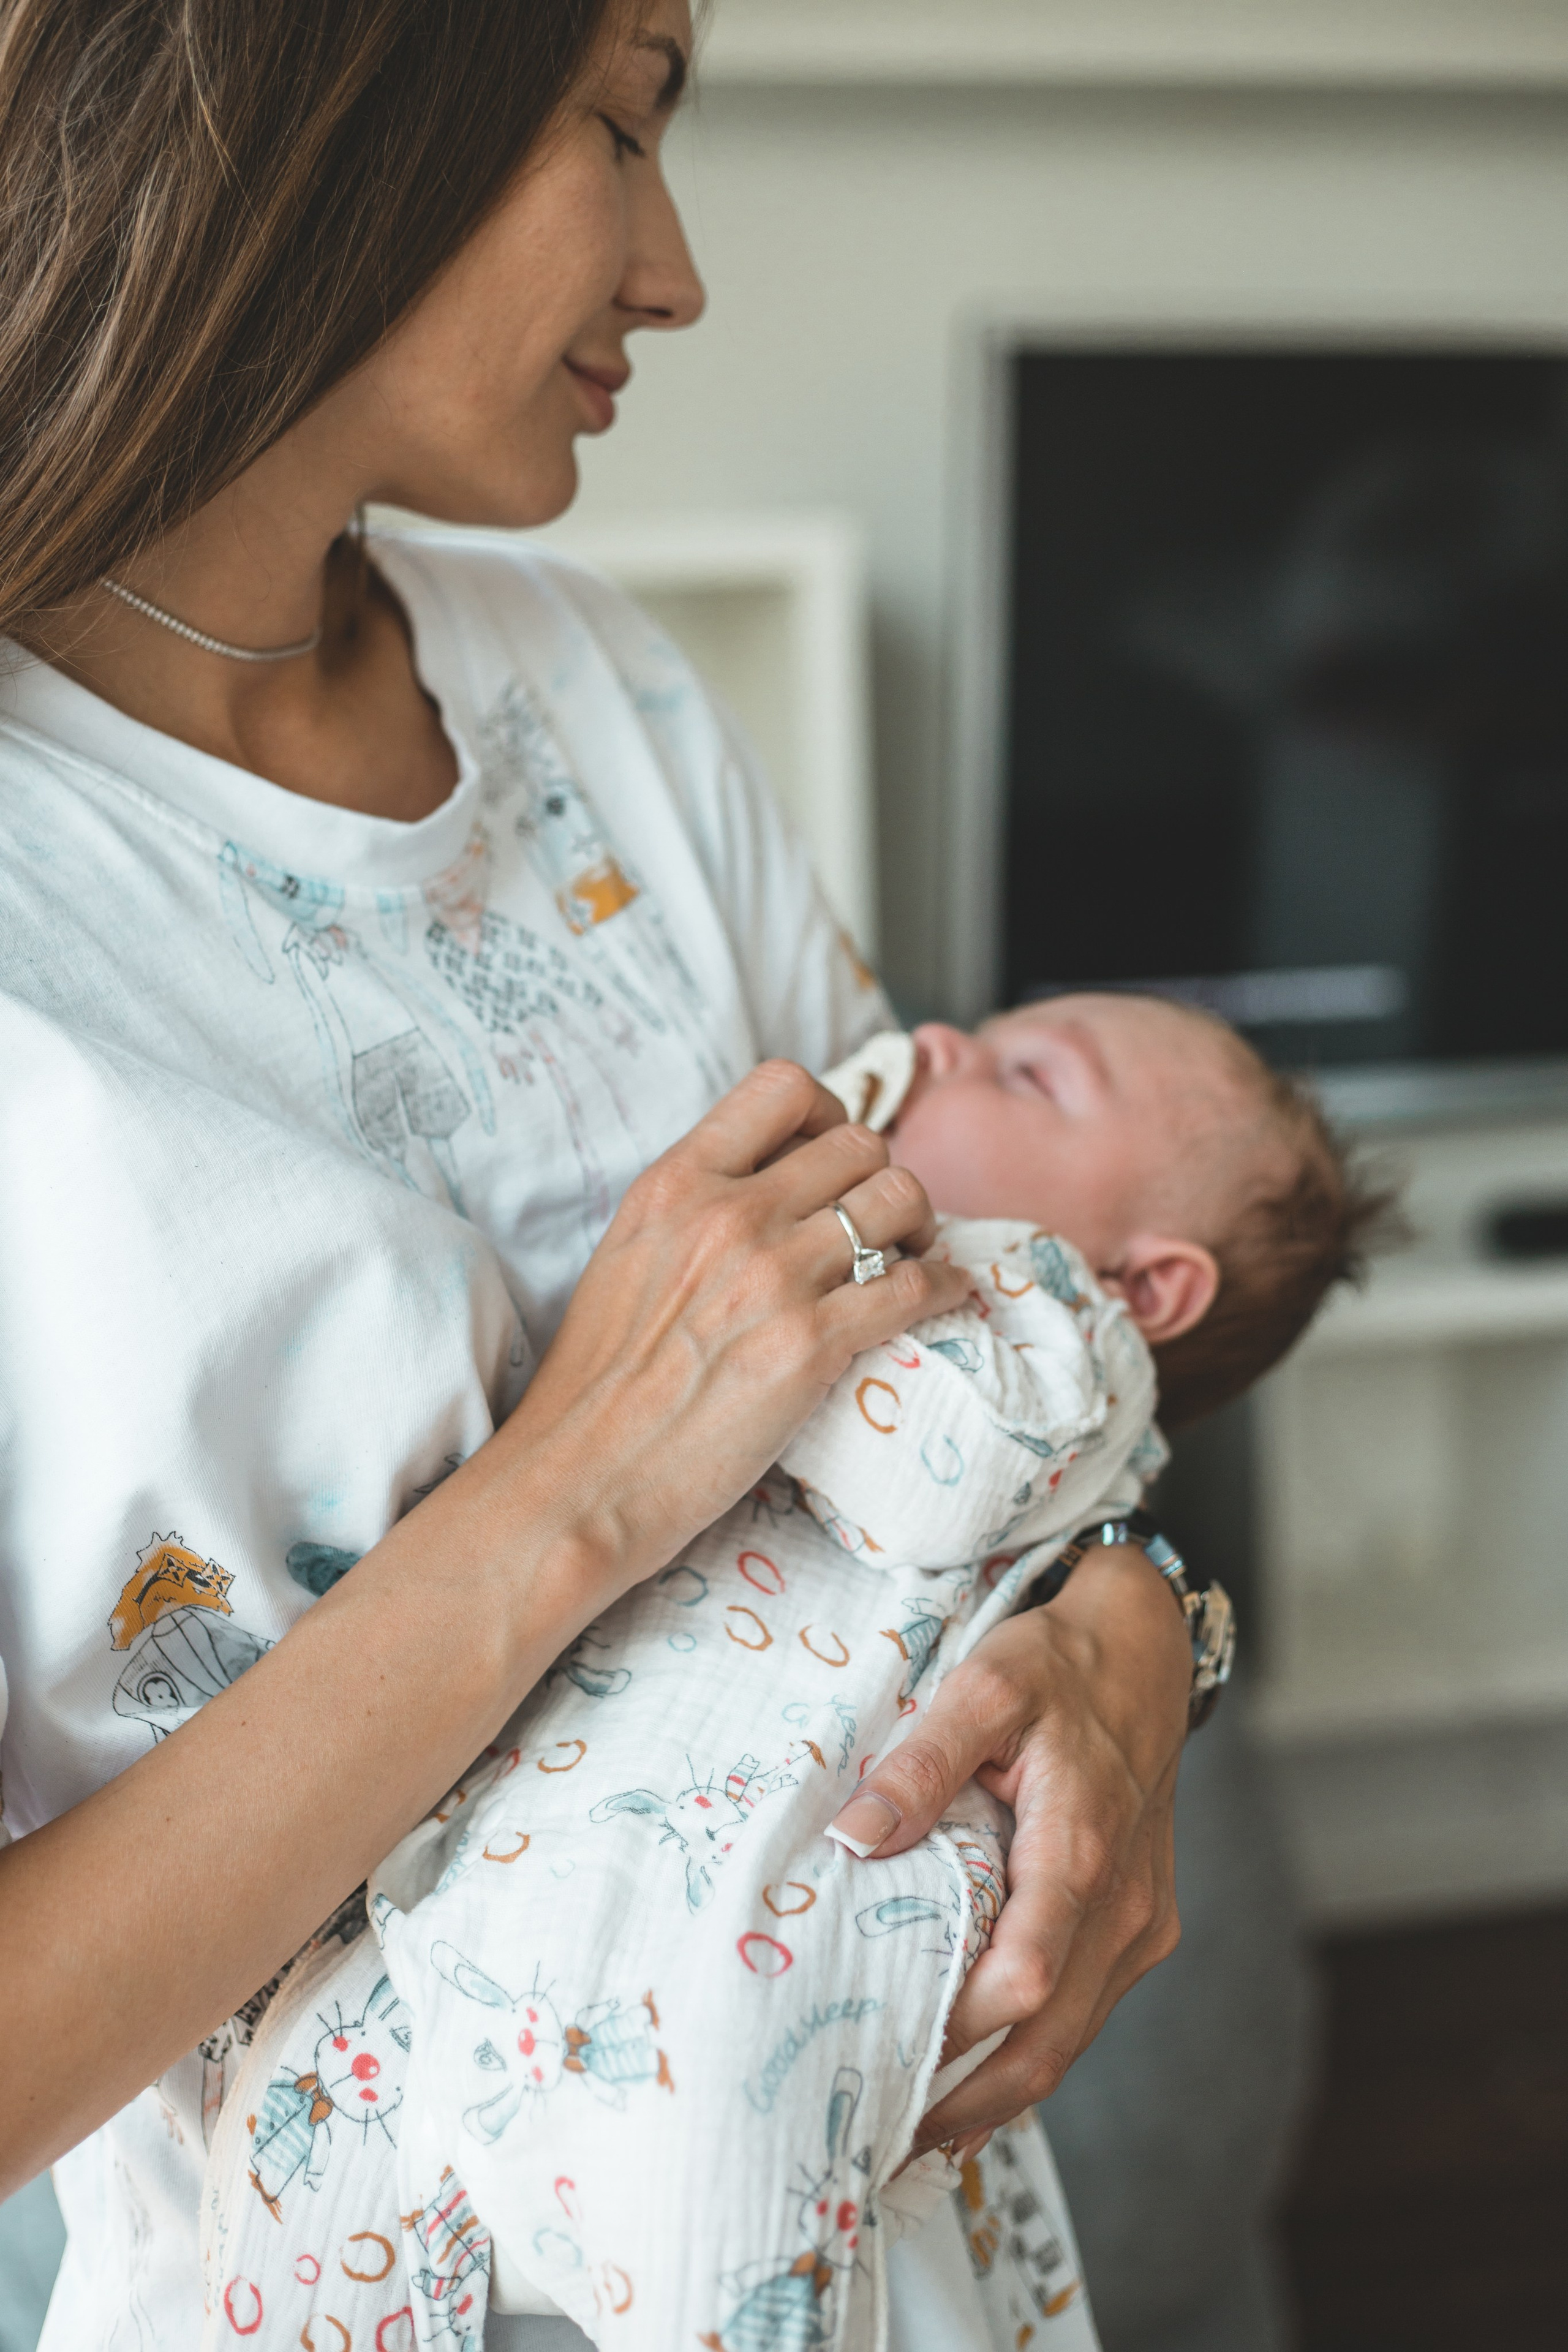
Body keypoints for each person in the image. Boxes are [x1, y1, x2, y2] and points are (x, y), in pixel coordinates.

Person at [0, 5, 1199, 2346]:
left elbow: (1005, 1336)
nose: (676, 273)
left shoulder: (615, 701)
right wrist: (569, 1499)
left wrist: (1148, 1638)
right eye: (621, 121)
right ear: (319, 82)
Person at [198, 993, 1374, 2350]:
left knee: (729, 2198)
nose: (936, 1043)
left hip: (776, 1902)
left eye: (1026, 1075)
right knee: (303, 2147)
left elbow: (931, 1475)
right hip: (519, 1878)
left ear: (1146, 1284)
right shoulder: (910, 1239)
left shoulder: (1054, 1332)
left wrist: (747, 1330)